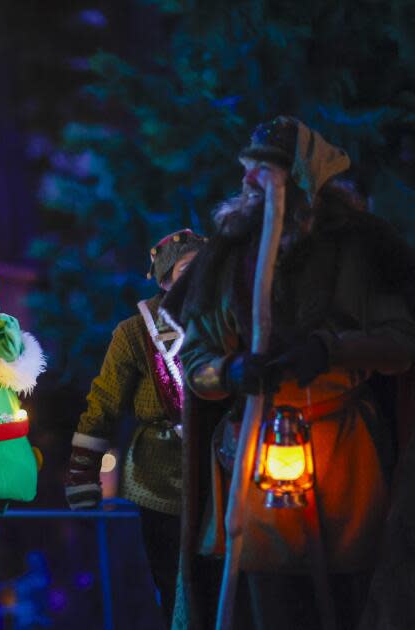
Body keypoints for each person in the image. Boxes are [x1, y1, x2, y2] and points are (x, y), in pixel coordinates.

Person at [162, 116, 415, 629]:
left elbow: (400, 344)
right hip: (255, 458)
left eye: (273, 172)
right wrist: (232, 370)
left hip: (345, 459)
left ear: (303, 177)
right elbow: (197, 361)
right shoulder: (228, 257)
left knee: (355, 600)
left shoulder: (359, 251)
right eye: (253, 172)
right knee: (270, 606)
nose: (257, 183)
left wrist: (330, 350)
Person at [65, 228, 206, 625]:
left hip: (222, 468)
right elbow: (103, 405)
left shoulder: (225, 322)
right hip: (160, 475)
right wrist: (82, 474)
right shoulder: (133, 334)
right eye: (186, 270)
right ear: (165, 280)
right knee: (173, 583)